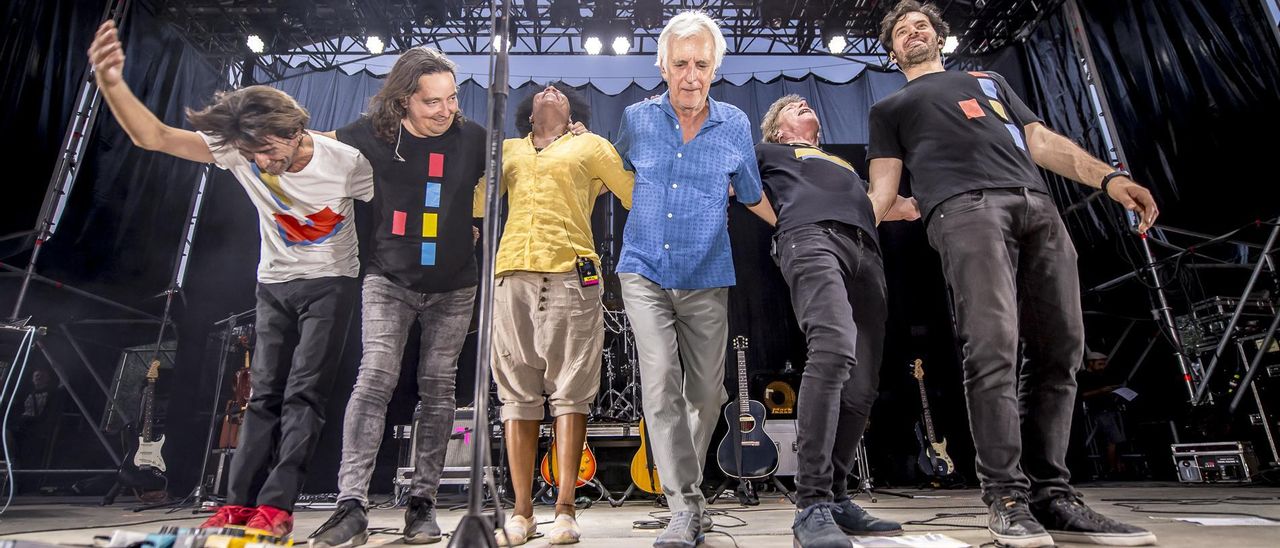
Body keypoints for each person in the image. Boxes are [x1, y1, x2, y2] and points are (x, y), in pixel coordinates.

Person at [866, 2, 1159, 546]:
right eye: (901, 31)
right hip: (964, 211)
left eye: (920, 24)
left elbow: (1042, 142)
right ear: (892, 53)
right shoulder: (892, 107)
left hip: (1037, 207)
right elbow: (882, 192)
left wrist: (1111, 178)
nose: (913, 31)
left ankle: (1054, 495)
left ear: (939, 37)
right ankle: (1005, 495)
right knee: (992, 346)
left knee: (1062, 351)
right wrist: (829, 229)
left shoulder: (989, 81)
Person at [88, 21, 374, 537]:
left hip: (332, 282)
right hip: (273, 283)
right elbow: (152, 136)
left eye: (269, 151)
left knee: (303, 394)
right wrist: (112, 82)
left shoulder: (346, 162)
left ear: (294, 132)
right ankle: (238, 504)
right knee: (260, 393)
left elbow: (392, 204)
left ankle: (277, 507)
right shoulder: (238, 149)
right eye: (253, 155)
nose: (262, 163)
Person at [306, 47, 488, 548]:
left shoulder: (473, 138)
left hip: (455, 285)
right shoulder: (371, 135)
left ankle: (422, 505)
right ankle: (351, 506)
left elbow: (520, 159)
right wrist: (264, 130)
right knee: (375, 376)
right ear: (404, 100)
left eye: (452, 99)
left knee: (438, 387)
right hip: (388, 279)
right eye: (433, 102)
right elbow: (315, 145)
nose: (446, 110)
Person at [611, 10, 772, 548]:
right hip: (644, 270)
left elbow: (751, 194)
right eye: (680, 63)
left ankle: (689, 493)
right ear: (662, 66)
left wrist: (804, 227)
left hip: (706, 272)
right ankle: (684, 505)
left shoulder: (736, 125)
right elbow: (608, 173)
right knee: (660, 384)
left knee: (706, 391)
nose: (691, 75)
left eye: (701, 64)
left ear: (715, 68)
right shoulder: (634, 119)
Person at [752, 95, 913, 546]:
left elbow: (892, 204)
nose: (802, 102)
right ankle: (811, 502)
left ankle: (838, 497)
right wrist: (784, 221)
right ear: (778, 130)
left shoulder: (841, 165)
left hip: (866, 252)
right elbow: (735, 185)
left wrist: (925, 198)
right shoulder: (769, 153)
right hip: (810, 239)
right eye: (791, 105)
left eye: (805, 102)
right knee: (834, 346)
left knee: (862, 383)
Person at [477, 82, 633, 546]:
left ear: (571, 114)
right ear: (528, 114)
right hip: (512, 274)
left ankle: (565, 509)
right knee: (518, 395)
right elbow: (477, 202)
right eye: (543, 90)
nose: (551, 89)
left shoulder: (592, 145)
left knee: (572, 391)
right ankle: (522, 513)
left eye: (561, 93)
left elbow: (631, 193)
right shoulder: (506, 150)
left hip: (573, 273)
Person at [1078, 351, 1128, 478]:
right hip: (1099, 411)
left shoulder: (1103, 375)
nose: (1103, 367)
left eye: (1104, 364)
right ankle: (1112, 469)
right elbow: (1081, 395)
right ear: (1091, 363)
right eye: (1100, 364)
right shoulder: (1083, 377)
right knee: (1113, 440)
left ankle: (1118, 466)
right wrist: (1100, 391)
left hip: (1110, 409)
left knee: (1116, 440)